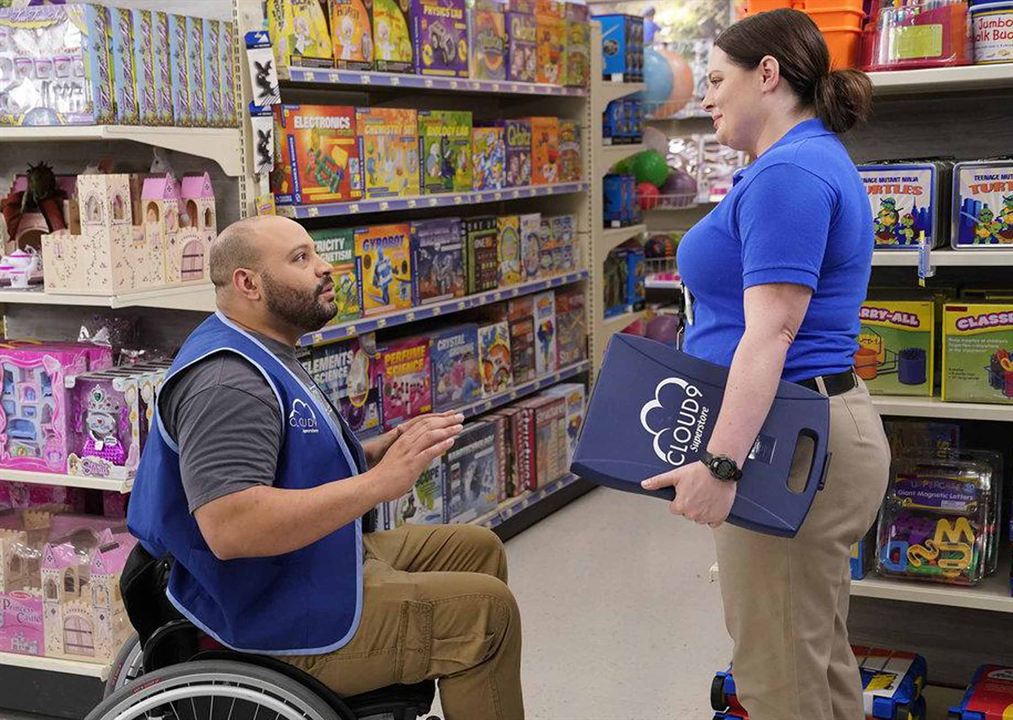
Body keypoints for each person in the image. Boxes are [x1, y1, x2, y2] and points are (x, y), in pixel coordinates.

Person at [126, 215, 524, 720]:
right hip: (265, 614)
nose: (326, 267)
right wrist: (379, 484)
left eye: (316, 253)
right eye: (300, 259)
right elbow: (230, 526)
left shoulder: (262, 345)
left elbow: (285, 460)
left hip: (291, 571)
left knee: (477, 549)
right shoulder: (228, 383)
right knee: (487, 616)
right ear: (248, 283)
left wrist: (379, 451)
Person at [638, 10, 890, 720]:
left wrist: (721, 464)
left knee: (778, 680)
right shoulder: (790, 165)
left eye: (717, 79)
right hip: (795, 428)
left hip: (785, 438)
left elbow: (771, 334)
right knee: (811, 659)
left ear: (769, 74)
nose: (707, 95)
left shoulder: (790, 174)